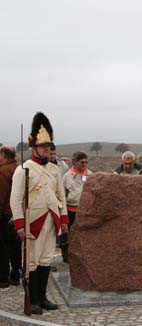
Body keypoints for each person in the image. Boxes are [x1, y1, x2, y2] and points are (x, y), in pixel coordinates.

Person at [10, 112, 68, 314]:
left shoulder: (54, 169)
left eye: (48, 146)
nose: (46, 149)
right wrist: (19, 224)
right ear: (33, 147)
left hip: (51, 221)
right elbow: (15, 200)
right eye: (43, 146)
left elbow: (60, 195)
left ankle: (42, 297)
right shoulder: (23, 169)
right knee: (32, 263)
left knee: (46, 260)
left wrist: (63, 219)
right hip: (32, 222)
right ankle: (32, 299)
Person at [62, 151, 92, 262]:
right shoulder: (66, 177)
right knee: (72, 235)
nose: (84, 164)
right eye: (82, 162)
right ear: (75, 162)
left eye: (86, 162)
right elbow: (62, 195)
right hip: (71, 210)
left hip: (85, 211)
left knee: (84, 235)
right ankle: (71, 256)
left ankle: (84, 256)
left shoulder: (90, 175)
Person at [0, 145, 21, 287]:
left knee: (3, 247)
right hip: (18, 214)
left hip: (5, 214)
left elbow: (0, 195)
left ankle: (3, 278)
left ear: (3, 155)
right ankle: (15, 276)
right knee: (16, 246)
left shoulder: (3, 171)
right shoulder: (20, 169)